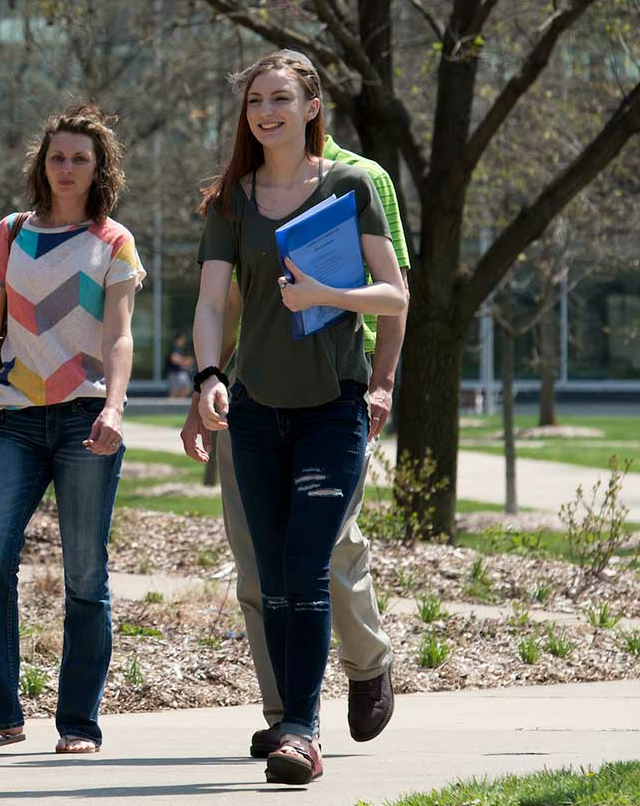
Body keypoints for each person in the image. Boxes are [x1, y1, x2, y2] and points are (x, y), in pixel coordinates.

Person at [185, 51, 407, 785]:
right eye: (255, 101)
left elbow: (394, 296)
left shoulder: (349, 187)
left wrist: (329, 303)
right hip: (253, 411)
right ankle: (287, 715)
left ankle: (301, 733)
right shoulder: (231, 200)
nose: (267, 112)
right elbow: (214, 303)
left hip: (332, 409)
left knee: (311, 566)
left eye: (281, 99)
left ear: (312, 108)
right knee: (272, 574)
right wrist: (209, 377)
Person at [0, 104, 145, 756]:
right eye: (57, 157)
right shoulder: (10, 234)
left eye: (79, 159)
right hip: (14, 418)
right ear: (43, 164)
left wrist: (114, 408)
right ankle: (0, 713)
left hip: (86, 418)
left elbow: (119, 336)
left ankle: (78, 723)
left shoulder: (114, 242)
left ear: (98, 169)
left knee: (85, 574)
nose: (66, 168)